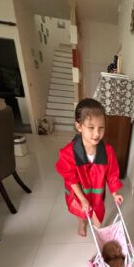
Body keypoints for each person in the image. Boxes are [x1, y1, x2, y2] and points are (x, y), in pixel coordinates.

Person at [56, 98, 123, 236]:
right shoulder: (69, 153)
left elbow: (112, 173)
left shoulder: (108, 151)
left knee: (98, 215)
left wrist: (115, 193)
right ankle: (82, 223)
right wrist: (83, 199)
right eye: (91, 128)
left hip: (97, 193)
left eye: (101, 127)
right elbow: (71, 179)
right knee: (83, 211)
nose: (97, 134)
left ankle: (98, 232)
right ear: (79, 126)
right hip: (81, 191)